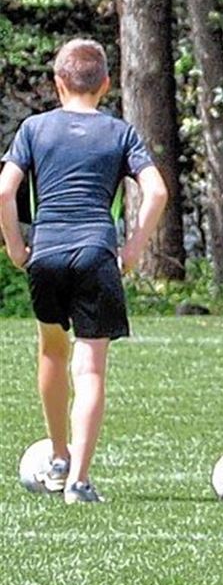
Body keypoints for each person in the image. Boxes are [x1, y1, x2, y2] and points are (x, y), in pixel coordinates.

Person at [0, 38, 168, 505]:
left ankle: (58, 455)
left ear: (57, 83)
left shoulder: (34, 129)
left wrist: (17, 246)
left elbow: (3, 190)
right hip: (96, 252)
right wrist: (133, 247)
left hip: (46, 252)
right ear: (106, 84)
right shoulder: (120, 132)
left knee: (51, 352)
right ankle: (79, 480)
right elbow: (156, 192)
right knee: (90, 368)